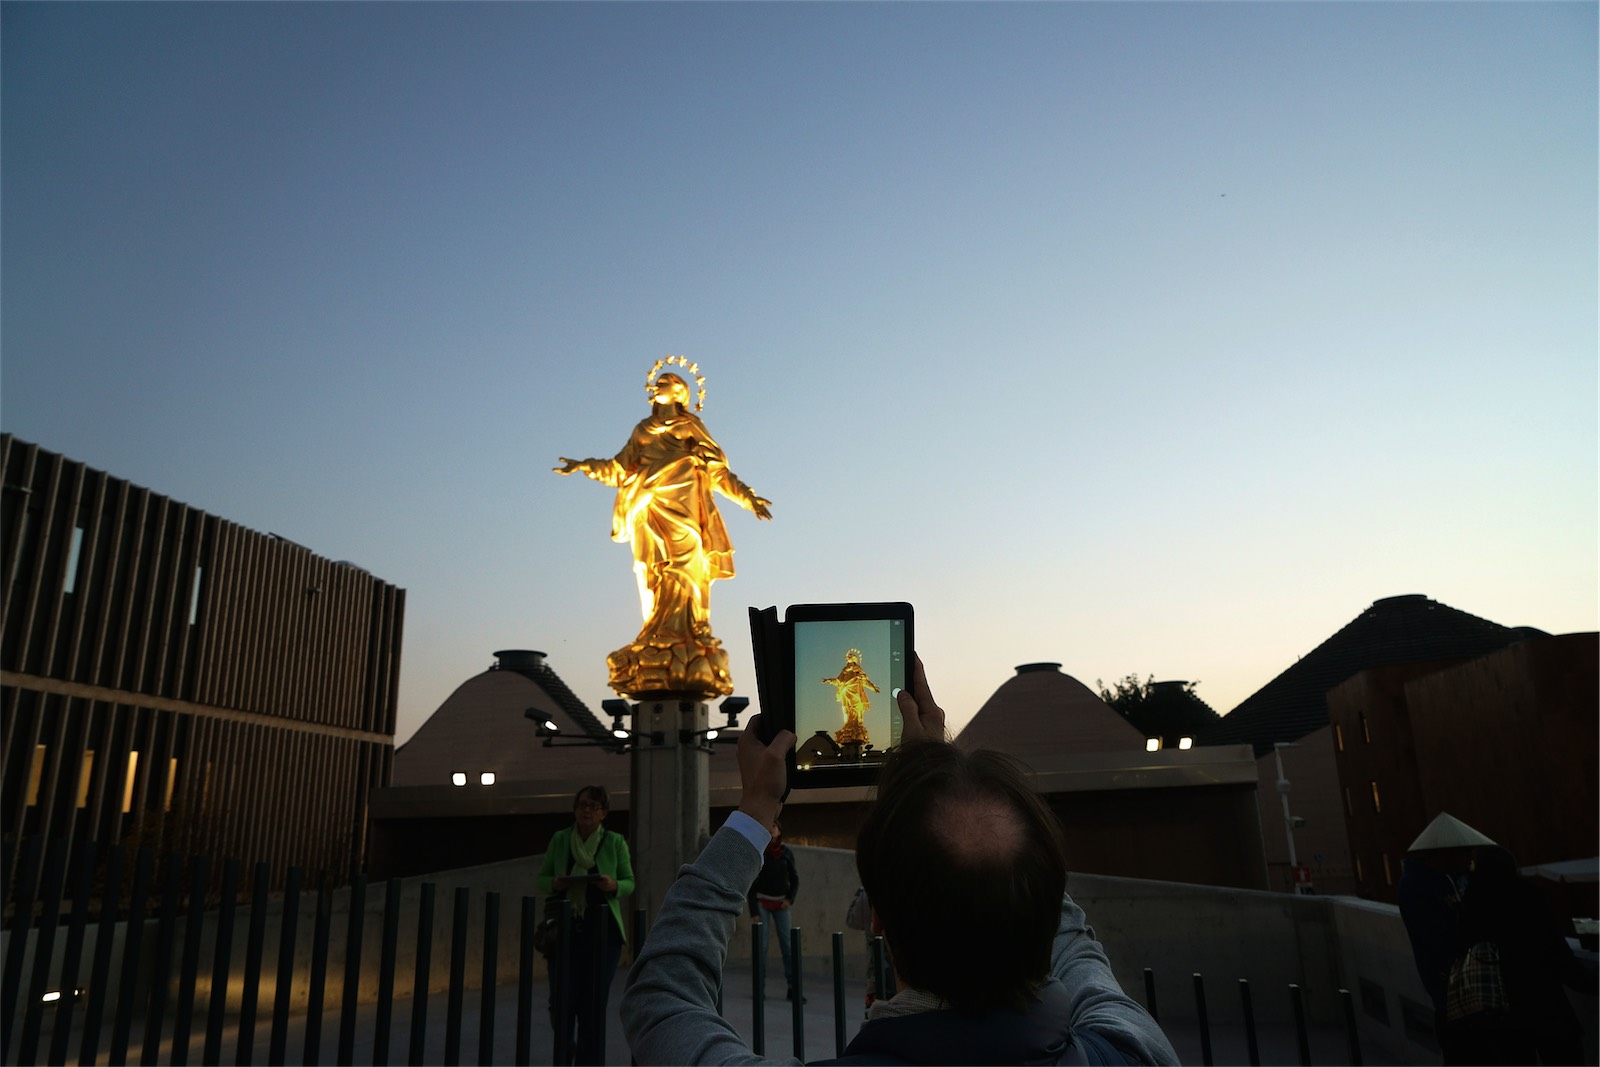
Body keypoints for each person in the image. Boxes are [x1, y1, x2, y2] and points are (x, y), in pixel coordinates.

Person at [621, 657, 1178, 1065]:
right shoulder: (1133, 1051)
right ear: (1045, 906)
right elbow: (1070, 938)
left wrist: (755, 811)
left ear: (878, 919)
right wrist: (937, 776)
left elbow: (663, 995)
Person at [555, 364, 772, 698]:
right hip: (647, 507)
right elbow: (619, 468)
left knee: (686, 569)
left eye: (667, 382)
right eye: (658, 382)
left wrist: (748, 497)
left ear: (681, 392)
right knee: (650, 570)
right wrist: (585, 465)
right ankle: (656, 632)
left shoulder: (690, 427)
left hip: (685, 511)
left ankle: (688, 635)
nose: (659, 385)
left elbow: (717, 472)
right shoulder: (643, 430)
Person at [1446, 845, 1597, 1066]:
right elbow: (1557, 955)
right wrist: (1590, 982)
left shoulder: (1471, 905)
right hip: (1544, 1005)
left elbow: (1457, 950)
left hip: (1500, 1017)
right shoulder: (1528, 896)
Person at [538, 785, 636, 1066]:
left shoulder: (614, 842)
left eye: (594, 807)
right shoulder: (561, 840)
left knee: (592, 1005)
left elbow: (629, 882)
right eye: (582, 805)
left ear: (604, 813)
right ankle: (565, 1049)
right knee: (562, 1001)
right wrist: (555, 883)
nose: (587, 811)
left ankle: (587, 1060)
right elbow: (542, 879)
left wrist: (612, 885)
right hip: (564, 932)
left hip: (602, 934)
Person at [1397, 812, 1495, 1063]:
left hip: (1468, 994)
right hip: (1453, 996)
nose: (1470, 859)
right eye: (1465, 853)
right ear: (1445, 854)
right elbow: (1440, 941)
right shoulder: (1417, 887)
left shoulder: (1454, 881)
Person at [748, 818, 803, 1001]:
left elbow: (794, 879)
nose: (772, 829)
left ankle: (793, 989)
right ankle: (759, 989)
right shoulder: (760, 851)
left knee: (788, 947)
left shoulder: (786, 853)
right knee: (761, 948)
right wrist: (754, 912)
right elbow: (751, 882)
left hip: (781, 904)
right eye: (770, 826)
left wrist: (789, 899)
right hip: (762, 902)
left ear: (780, 830)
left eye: (775, 826)